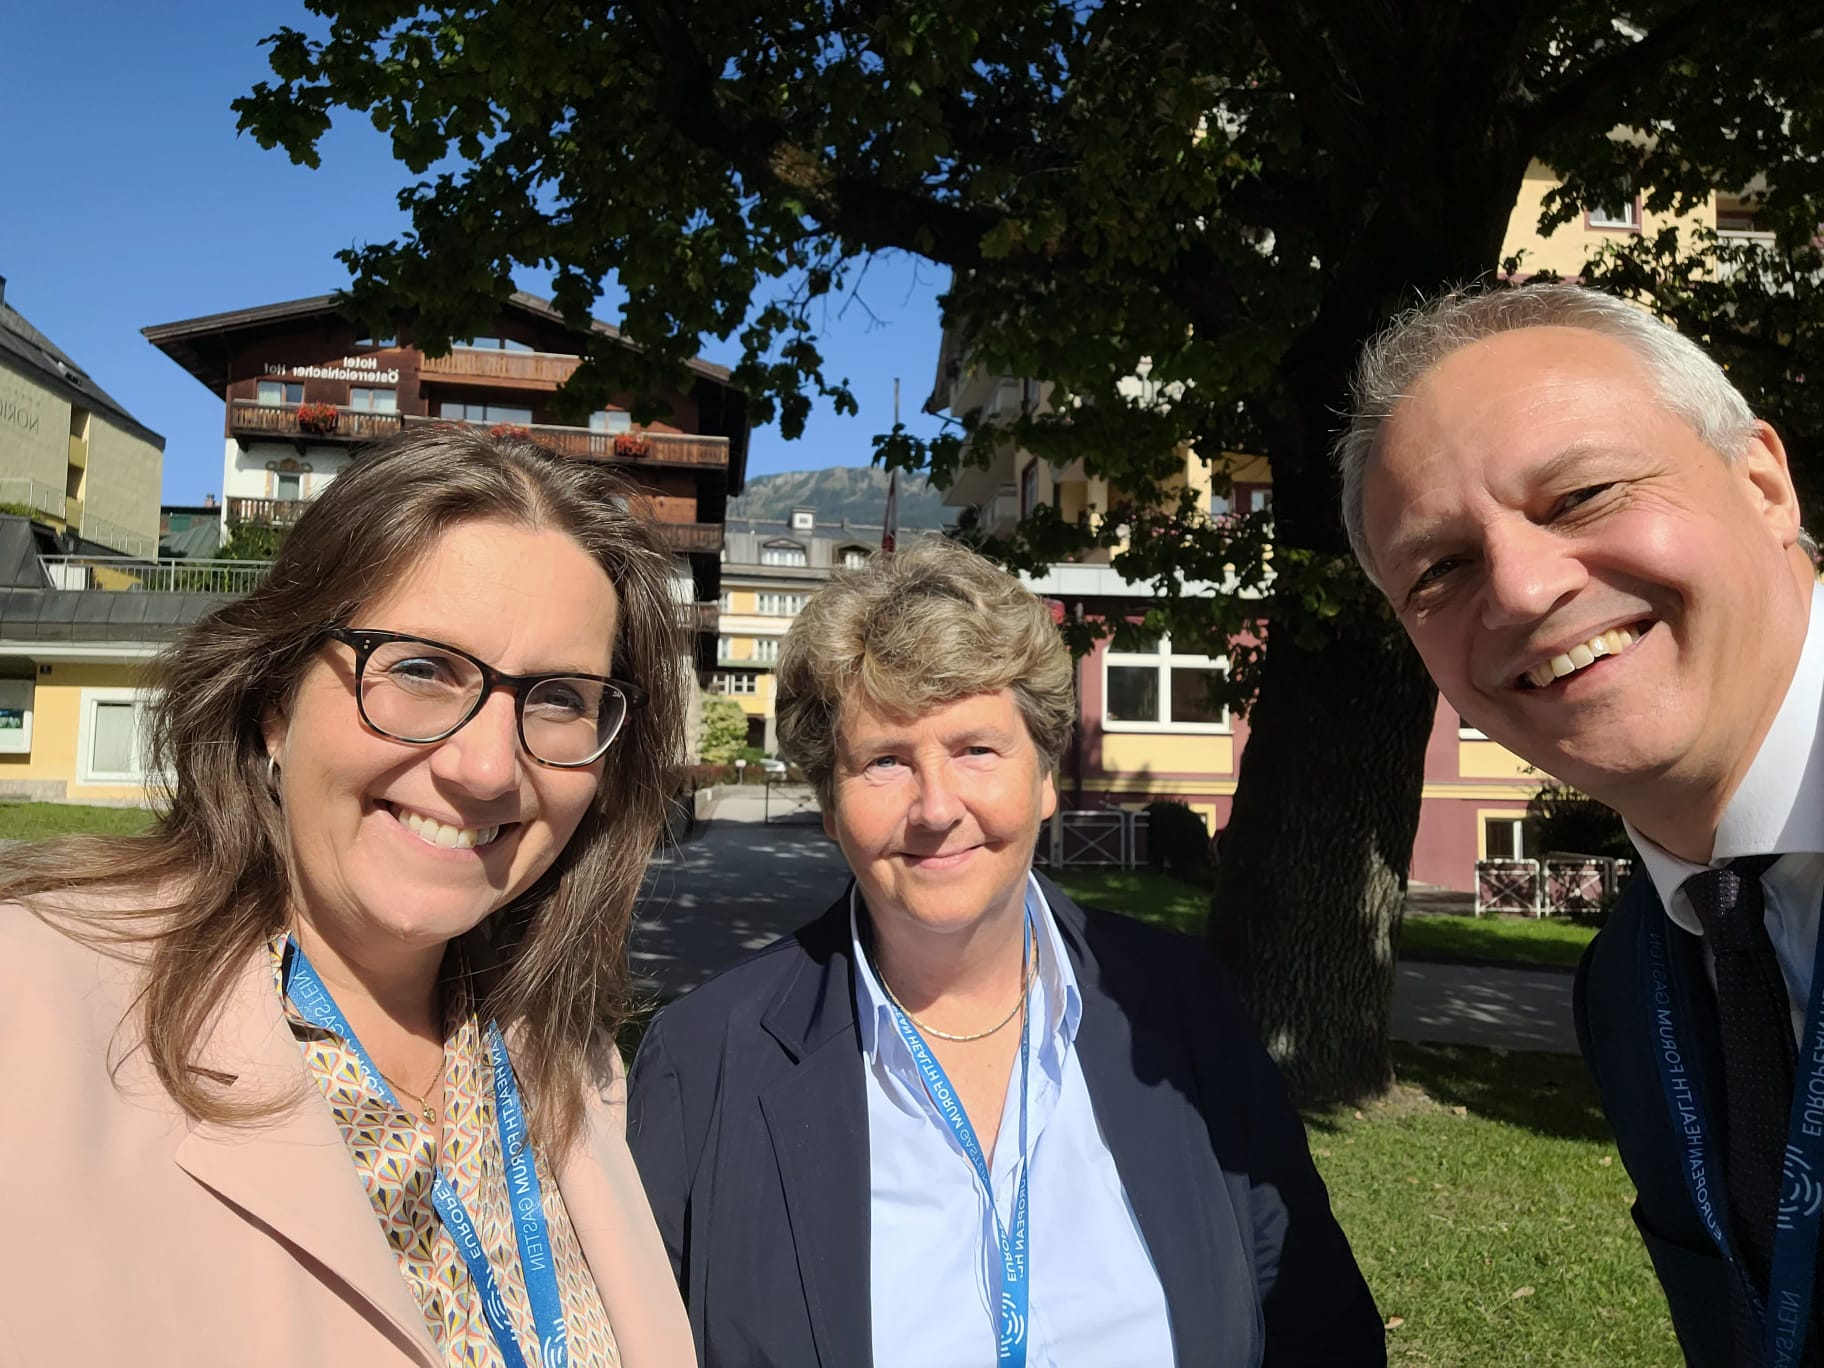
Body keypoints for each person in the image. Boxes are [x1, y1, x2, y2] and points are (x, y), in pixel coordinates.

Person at [0, 427, 697, 1366]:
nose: (488, 768)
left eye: (560, 697)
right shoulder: (30, 1006)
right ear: (273, 703)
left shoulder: (571, 1059)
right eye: (418, 669)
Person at [626, 538, 1383, 1367]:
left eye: (976, 750)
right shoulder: (706, 1062)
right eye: (884, 762)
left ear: (1046, 776)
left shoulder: (1179, 1007)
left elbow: (1314, 1319)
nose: (936, 808)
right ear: (830, 806)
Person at [1341, 284, 1823, 1367]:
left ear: (1762, 484)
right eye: (1441, 568)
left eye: (1585, 494)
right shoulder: (1626, 990)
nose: (1517, 588)